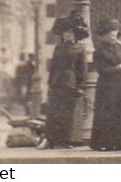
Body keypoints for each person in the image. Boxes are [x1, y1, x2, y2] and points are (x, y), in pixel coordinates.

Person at [89, 19, 121, 151]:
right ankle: (105, 142)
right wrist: (119, 67)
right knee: (108, 114)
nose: (113, 35)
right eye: (110, 33)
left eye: (115, 32)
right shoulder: (99, 51)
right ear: (104, 35)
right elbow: (102, 70)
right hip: (107, 87)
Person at [41, 17, 86, 148]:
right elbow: (53, 66)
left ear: (75, 34)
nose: (67, 35)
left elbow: (82, 69)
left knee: (68, 113)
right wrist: (50, 83)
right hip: (57, 82)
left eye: (70, 33)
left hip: (70, 83)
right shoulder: (58, 48)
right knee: (55, 112)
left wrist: (80, 85)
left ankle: (66, 140)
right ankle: (53, 140)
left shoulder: (79, 48)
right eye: (66, 33)